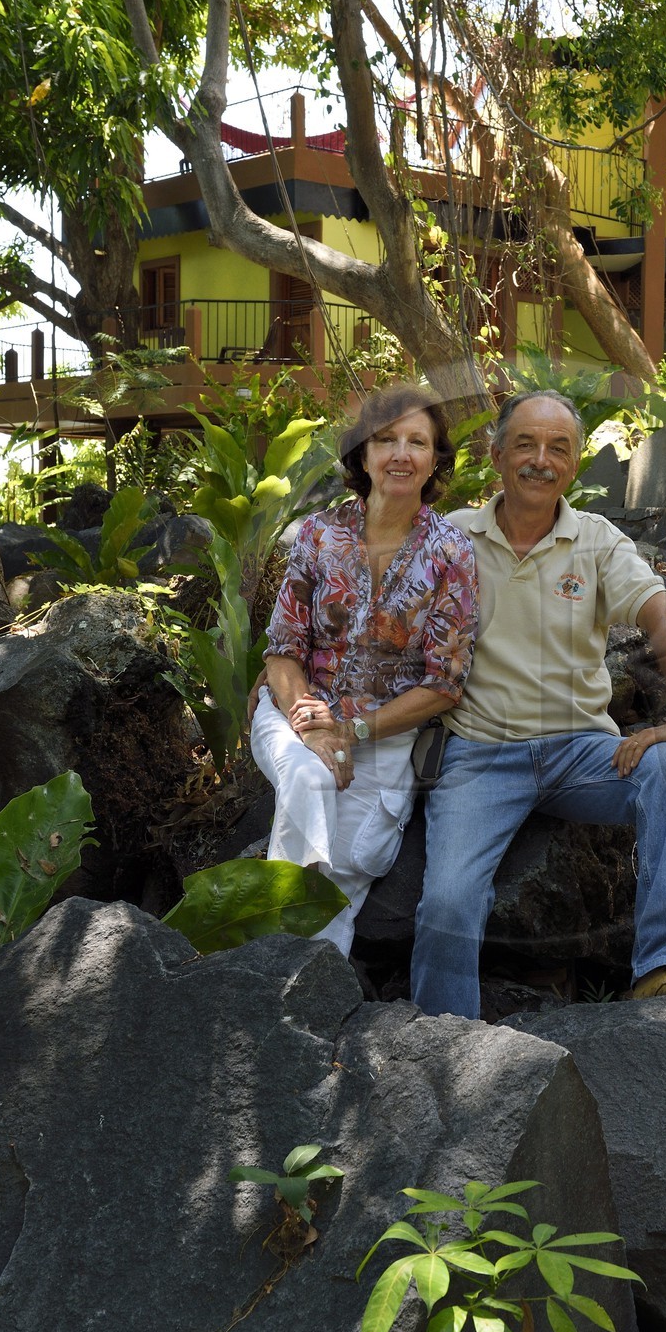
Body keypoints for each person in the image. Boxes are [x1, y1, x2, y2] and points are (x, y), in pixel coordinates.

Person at [410, 389, 666, 1019]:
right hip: (479, 755)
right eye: (525, 443)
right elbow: (380, 626)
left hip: (583, 751)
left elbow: (663, 620)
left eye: (558, 447)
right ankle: (442, 1042)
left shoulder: (598, 542)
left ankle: (663, 968)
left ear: (575, 463)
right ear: (496, 453)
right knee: (446, 904)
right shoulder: (449, 538)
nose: (540, 460)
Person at [249, 384, 478, 958]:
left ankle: (292, 987)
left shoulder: (452, 553)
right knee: (306, 779)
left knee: (345, 881)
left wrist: (350, 732)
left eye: (417, 441)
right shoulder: (318, 535)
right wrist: (313, 724)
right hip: (291, 714)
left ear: (434, 460)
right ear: (363, 454)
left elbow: (443, 684)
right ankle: (277, 970)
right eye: (385, 439)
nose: (401, 453)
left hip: (384, 738)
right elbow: (282, 648)